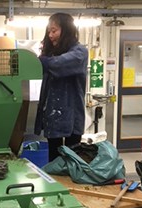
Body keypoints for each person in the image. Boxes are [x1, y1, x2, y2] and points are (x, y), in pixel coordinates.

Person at [34, 13, 88, 162]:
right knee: (54, 161)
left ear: (66, 30)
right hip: (53, 116)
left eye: (54, 31)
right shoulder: (50, 54)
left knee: (72, 161)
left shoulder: (79, 52)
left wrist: (40, 60)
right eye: (49, 31)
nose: (50, 35)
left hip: (71, 117)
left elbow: (57, 64)